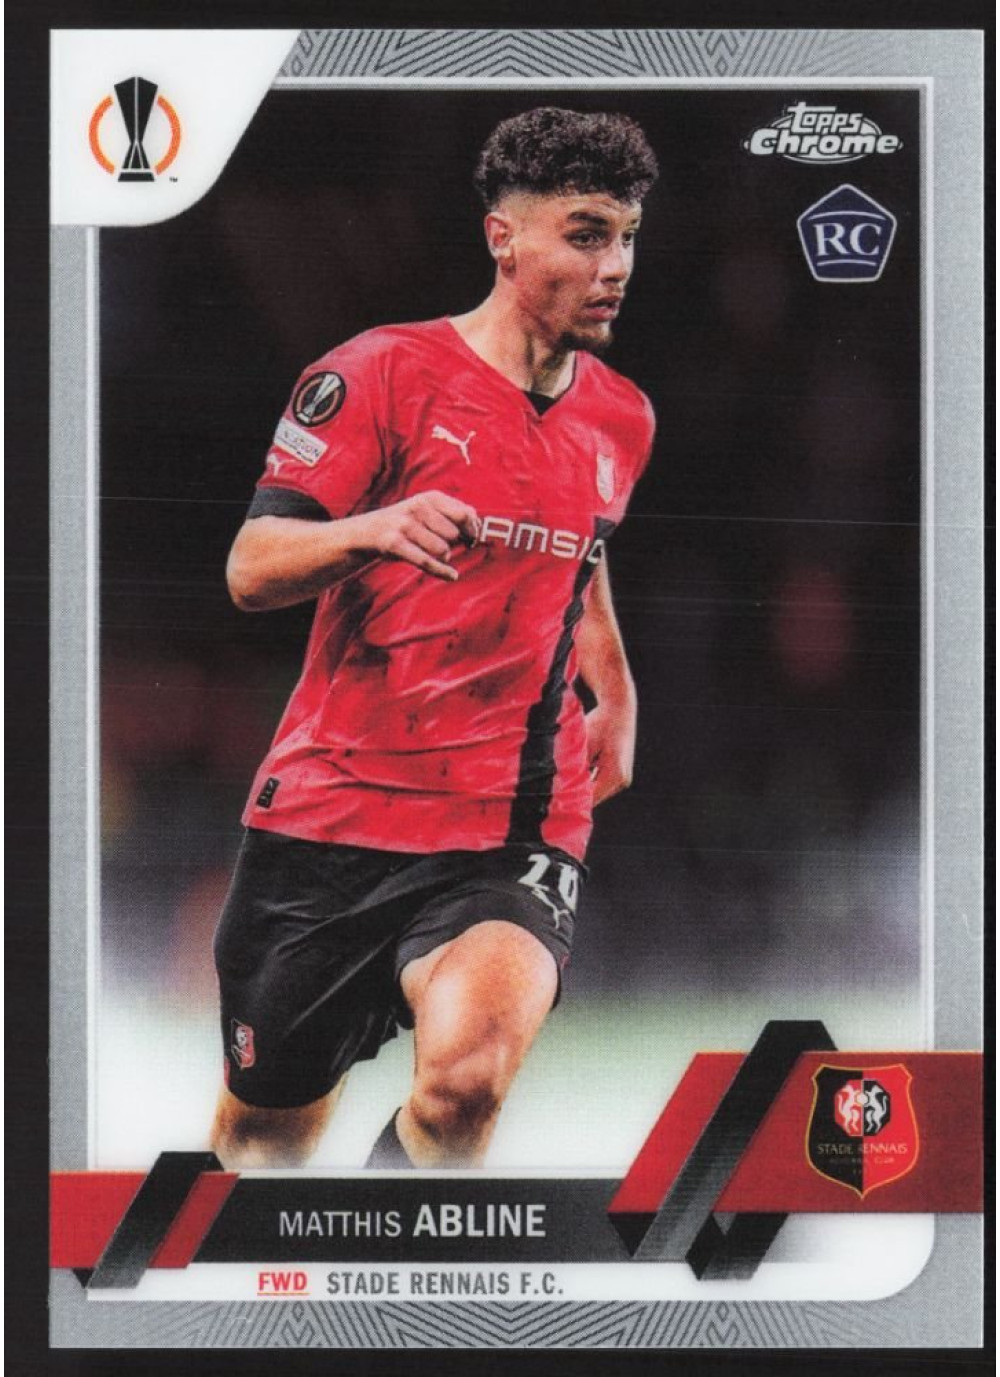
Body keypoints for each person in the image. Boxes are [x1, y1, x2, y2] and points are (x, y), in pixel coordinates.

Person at [209, 107, 658, 1170]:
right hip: (333, 814)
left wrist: (615, 685)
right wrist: (372, 528)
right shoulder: (378, 373)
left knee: (464, 1086)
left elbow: (578, 550)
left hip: (511, 818)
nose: (615, 266)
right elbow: (251, 567)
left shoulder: (622, 416)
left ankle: (393, 1261)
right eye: (586, 235)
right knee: (261, 1146)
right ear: (505, 240)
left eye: (627, 237)